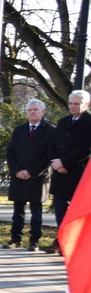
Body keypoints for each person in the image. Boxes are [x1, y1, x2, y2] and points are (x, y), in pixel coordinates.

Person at [46, 90, 91, 255]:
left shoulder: (89, 122)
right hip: (60, 173)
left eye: (76, 103)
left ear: (86, 104)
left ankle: (75, 245)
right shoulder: (63, 121)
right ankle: (61, 242)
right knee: (60, 211)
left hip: (78, 174)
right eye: (71, 103)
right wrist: (56, 162)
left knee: (77, 213)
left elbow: (86, 148)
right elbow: (52, 144)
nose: (72, 106)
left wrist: (64, 162)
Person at [4, 99, 53, 251]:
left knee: (36, 212)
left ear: (43, 112)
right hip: (18, 176)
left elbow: (49, 156)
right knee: (17, 211)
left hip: (38, 177)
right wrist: (17, 170)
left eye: (35, 110)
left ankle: (34, 241)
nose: (32, 112)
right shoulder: (19, 130)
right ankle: (15, 239)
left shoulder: (51, 130)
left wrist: (31, 172)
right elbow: (10, 152)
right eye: (29, 110)